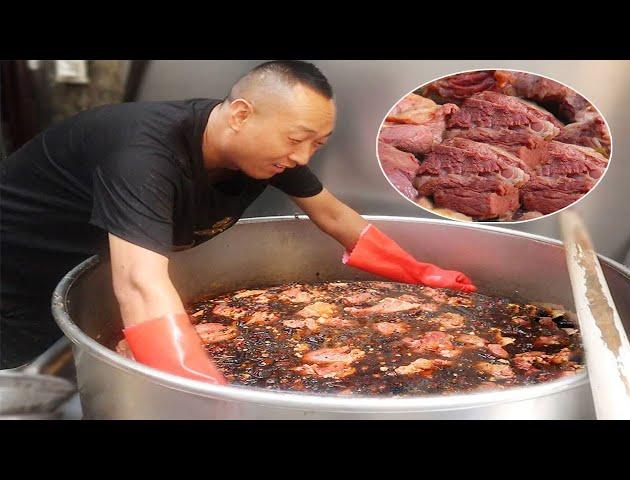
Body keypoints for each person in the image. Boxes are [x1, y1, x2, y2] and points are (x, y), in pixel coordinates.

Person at [0, 60, 475, 380]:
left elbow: (332, 213)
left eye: (317, 145)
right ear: (242, 115)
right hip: (14, 279)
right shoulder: (141, 153)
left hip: (81, 270)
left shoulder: (262, 153)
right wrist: (200, 387)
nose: (302, 156)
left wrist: (420, 273)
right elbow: (141, 285)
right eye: (297, 139)